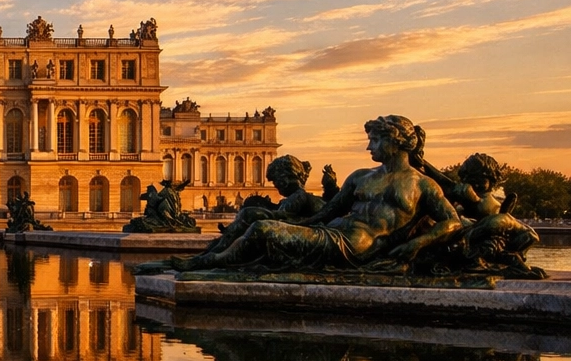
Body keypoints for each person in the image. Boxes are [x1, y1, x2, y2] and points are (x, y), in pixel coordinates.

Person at [168, 115, 459, 272]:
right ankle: (206, 260)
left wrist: (418, 243)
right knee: (257, 222)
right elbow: (326, 211)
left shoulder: (422, 185)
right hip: (330, 232)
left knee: (262, 229)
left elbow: (453, 222)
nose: (369, 148)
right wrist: (293, 223)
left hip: (356, 245)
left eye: (375, 141)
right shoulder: (360, 177)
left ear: (395, 142)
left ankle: (204, 264)